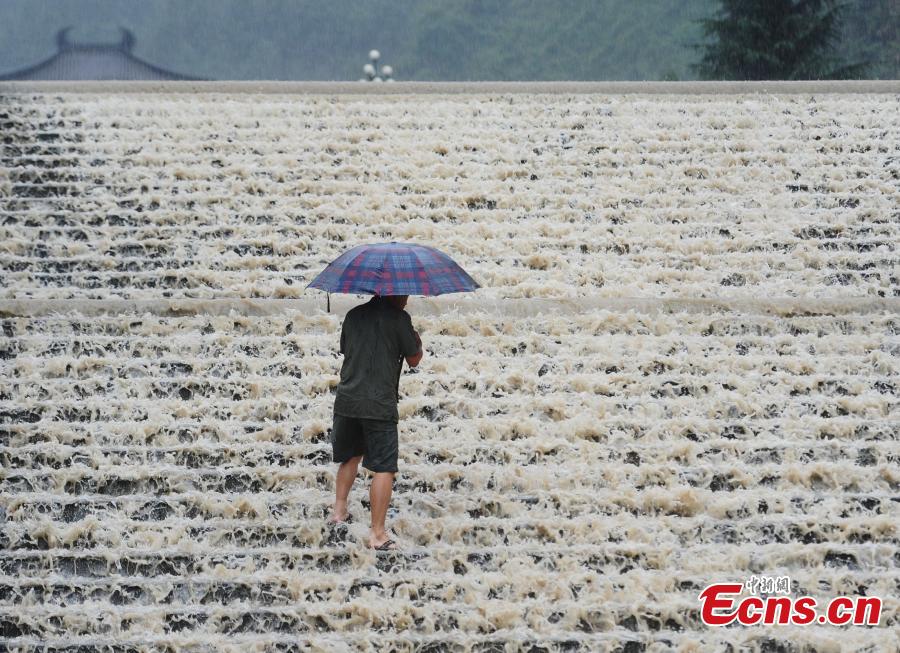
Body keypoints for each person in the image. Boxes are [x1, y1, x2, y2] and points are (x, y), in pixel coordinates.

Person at [327, 293, 423, 551]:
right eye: (405, 293)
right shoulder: (399, 319)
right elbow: (414, 360)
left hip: (347, 400)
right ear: (396, 293)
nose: (407, 298)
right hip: (379, 405)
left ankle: (339, 511)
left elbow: (348, 349)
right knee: (384, 468)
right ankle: (378, 534)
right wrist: (416, 341)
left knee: (351, 456)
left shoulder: (353, 315)